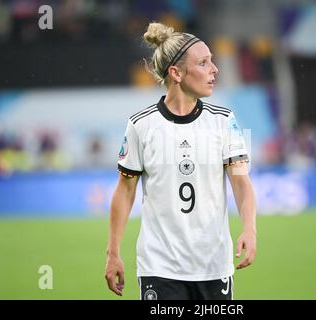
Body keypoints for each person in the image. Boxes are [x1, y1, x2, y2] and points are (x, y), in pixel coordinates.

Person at [105, 22, 257, 300]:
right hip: (159, 268)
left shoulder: (223, 121)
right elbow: (125, 191)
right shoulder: (141, 125)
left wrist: (249, 228)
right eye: (203, 63)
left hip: (213, 267)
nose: (215, 69)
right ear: (175, 73)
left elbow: (241, 183)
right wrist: (113, 252)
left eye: (212, 60)